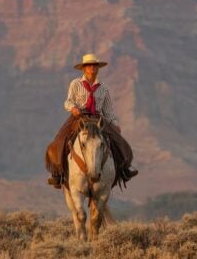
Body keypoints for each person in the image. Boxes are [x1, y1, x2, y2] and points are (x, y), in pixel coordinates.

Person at [47, 53, 138, 189]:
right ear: (84, 68)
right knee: (60, 138)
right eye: (89, 65)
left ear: (98, 68)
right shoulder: (75, 83)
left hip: (98, 118)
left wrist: (114, 123)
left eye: (95, 65)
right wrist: (73, 108)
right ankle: (57, 173)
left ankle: (124, 169)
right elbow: (68, 101)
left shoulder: (104, 88)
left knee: (118, 140)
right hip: (79, 117)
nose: (92, 68)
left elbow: (108, 110)